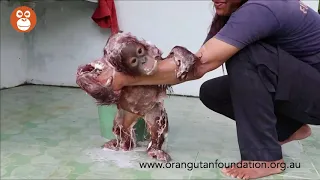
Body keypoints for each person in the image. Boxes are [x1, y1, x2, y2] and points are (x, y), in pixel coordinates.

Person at [101, 0, 320, 179]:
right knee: (213, 92)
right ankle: (289, 128)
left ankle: (264, 158)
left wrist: (125, 79)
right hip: (305, 88)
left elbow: (200, 65)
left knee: (249, 56)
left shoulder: (259, 9)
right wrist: (131, 81)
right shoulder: (237, 14)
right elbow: (192, 64)